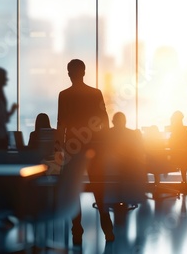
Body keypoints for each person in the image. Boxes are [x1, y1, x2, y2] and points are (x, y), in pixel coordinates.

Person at [56, 59, 113, 245]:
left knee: (73, 190)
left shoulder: (64, 95)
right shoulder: (95, 93)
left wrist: (59, 147)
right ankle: (108, 229)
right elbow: (104, 121)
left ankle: (77, 231)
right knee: (99, 188)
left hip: (73, 148)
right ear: (84, 72)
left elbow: (61, 124)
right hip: (94, 147)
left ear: (69, 73)